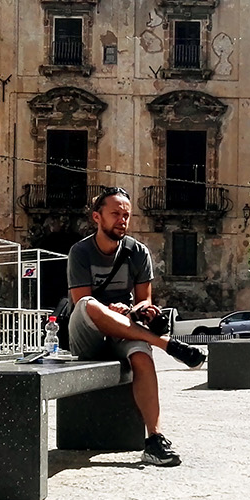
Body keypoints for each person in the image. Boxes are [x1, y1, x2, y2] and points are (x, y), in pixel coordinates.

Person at [67, 187, 206, 467]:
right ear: (97, 217)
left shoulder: (137, 252)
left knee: (142, 357)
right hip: (88, 332)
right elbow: (80, 301)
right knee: (90, 305)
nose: (122, 220)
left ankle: (155, 439)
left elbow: (144, 300)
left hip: (127, 325)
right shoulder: (80, 252)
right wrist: (110, 310)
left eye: (126, 215)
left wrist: (139, 310)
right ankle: (167, 345)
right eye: (115, 214)